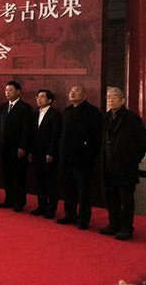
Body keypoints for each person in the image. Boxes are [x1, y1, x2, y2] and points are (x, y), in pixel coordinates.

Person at [98, 87, 146, 240]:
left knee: (126, 199)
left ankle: (126, 227)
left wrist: (132, 160)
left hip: (126, 166)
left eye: (114, 97)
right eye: (108, 98)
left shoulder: (132, 119)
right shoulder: (105, 118)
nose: (110, 100)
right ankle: (113, 224)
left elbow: (142, 143)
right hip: (108, 165)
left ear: (122, 100)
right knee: (111, 197)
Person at [57, 85, 101, 230]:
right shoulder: (67, 111)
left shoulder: (92, 112)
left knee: (83, 191)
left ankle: (83, 219)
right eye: (70, 91)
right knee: (68, 187)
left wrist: (89, 155)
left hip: (83, 159)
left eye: (76, 92)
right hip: (66, 157)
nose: (72, 93)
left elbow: (96, 137)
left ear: (84, 95)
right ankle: (69, 214)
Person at [0, 80, 33, 212]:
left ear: (18, 91)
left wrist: (23, 147)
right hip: (4, 147)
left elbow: (26, 130)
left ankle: (19, 202)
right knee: (7, 174)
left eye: (10, 90)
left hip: (17, 148)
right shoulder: (3, 107)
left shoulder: (25, 108)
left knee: (19, 175)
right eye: (6, 90)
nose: (7, 93)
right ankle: (8, 199)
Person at [29, 89, 62, 218]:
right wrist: (31, 151)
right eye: (38, 97)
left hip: (49, 153)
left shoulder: (55, 114)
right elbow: (32, 134)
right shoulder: (36, 114)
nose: (39, 99)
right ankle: (41, 205)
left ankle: (52, 208)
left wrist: (51, 152)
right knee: (39, 180)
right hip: (37, 153)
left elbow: (56, 135)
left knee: (50, 181)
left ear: (49, 100)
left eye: (42, 97)